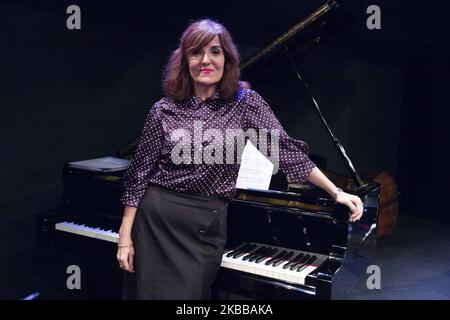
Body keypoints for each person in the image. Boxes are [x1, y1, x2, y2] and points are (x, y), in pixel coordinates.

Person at [116, 19, 363, 300]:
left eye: (215, 52)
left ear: (228, 59)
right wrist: (125, 236)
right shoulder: (163, 110)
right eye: (196, 53)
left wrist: (336, 191)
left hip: (205, 223)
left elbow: (285, 151)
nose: (205, 60)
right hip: (157, 220)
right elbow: (138, 177)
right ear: (184, 61)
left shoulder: (245, 104)